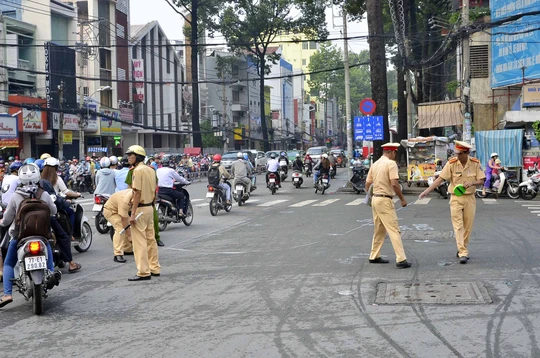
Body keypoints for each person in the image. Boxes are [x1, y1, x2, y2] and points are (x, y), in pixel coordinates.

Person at [0, 163, 61, 308]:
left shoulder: (16, 196)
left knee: (8, 262)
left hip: (20, 236)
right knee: (49, 250)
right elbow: (53, 210)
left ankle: (7, 294)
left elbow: (8, 218)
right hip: (42, 235)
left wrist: (3, 222)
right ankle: (51, 272)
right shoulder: (44, 194)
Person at [419, 141, 485, 264]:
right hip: (455, 198)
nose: (458, 156)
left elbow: (481, 180)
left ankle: (461, 247)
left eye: (460, 154)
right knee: (458, 226)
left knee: (467, 227)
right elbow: (440, 179)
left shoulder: (475, 163)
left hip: (470, 198)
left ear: (467, 153)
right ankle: (463, 252)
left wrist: (472, 183)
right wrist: (426, 191)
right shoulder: (452, 163)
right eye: (456, 153)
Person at [365, 143, 411, 269]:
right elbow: (395, 184)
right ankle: (401, 259)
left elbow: (368, 184)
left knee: (379, 229)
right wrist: (402, 199)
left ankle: (374, 255)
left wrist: (371, 196)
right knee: (394, 229)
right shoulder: (391, 164)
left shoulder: (375, 164)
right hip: (385, 200)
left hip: (375, 199)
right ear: (393, 152)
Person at [125, 145, 160, 281]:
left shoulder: (137, 171)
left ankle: (143, 272)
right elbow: (154, 191)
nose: (128, 157)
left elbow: (137, 192)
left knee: (139, 242)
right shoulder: (151, 170)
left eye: (130, 155)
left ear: (137, 157)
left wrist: (132, 214)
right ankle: (154, 268)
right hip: (149, 208)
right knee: (151, 240)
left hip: (140, 209)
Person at [38, 179, 82, 273]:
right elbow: (55, 207)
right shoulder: (45, 190)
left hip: (26, 225)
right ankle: (71, 264)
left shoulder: (19, 192)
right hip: (47, 219)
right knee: (63, 237)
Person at [103, 188, 134, 263]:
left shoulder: (135, 194)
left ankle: (127, 249)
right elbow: (124, 219)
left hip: (120, 210)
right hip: (111, 211)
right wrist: (129, 236)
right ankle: (117, 254)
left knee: (130, 227)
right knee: (121, 229)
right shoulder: (124, 200)